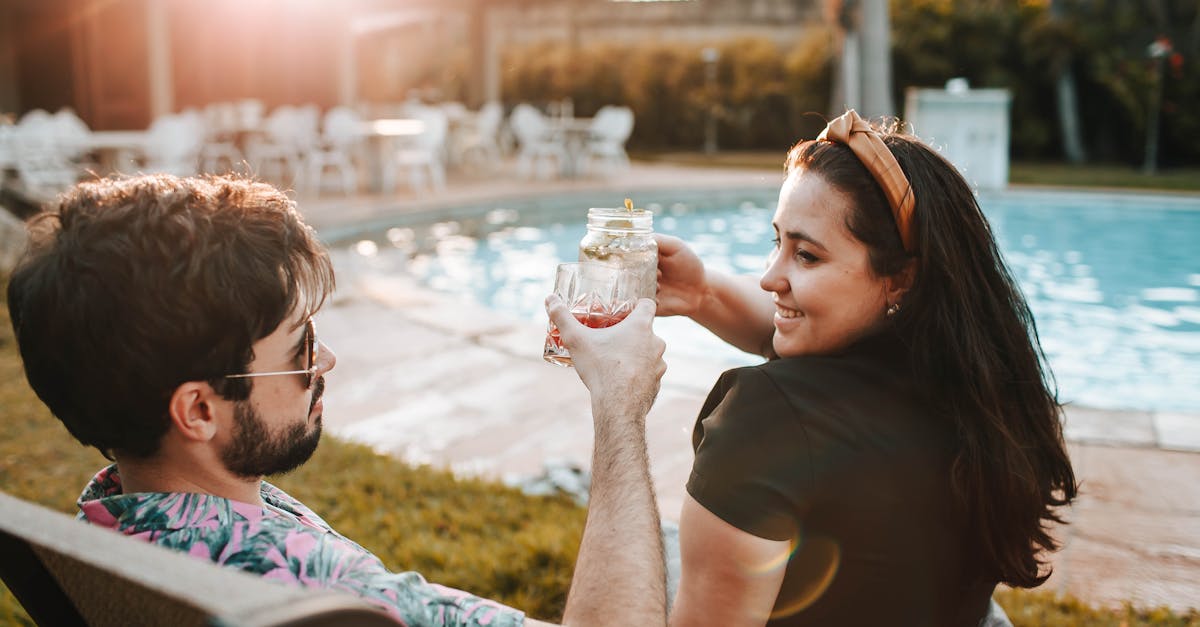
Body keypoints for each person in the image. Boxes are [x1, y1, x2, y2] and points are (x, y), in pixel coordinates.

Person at [6, 173, 668, 627]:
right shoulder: (315, 591)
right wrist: (619, 404)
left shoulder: (110, 526)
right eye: (300, 346)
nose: (324, 361)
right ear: (199, 410)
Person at [656, 110, 1078, 627]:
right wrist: (700, 292)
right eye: (777, 242)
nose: (769, 277)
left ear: (900, 279)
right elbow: (790, 323)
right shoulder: (982, 394)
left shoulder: (773, 417)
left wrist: (618, 409)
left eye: (806, 256)